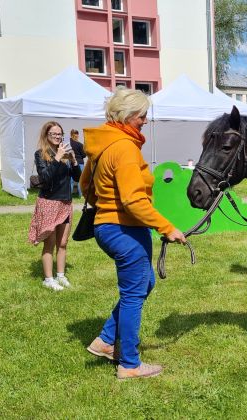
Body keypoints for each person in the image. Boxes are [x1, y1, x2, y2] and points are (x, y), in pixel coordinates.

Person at [81, 88, 186, 380]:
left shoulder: (103, 145)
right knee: (133, 295)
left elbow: (84, 185)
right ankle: (129, 363)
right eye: (142, 116)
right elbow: (133, 200)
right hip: (125, 229)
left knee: (144, 283)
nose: (145, 122)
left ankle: (105, 341)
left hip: (106, 227)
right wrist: (167, 227)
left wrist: (105, 204)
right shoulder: (124, 147)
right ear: (127, 116)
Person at [28, 121, 81, 291]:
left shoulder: (65, 154)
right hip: (49, 203)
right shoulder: (40, 154)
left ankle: (61, 275)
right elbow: (45, 178)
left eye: (60, 134)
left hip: (65, 202)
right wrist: (57, 158)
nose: (58, 137)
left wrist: (73, 161)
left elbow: (78, 178)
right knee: (49, 243)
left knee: (63, 242)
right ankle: (48, 279)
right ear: (46, 135)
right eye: (54, 134)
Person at [69, 129, 85, 196]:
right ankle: (80, 195)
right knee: (80, 179)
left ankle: (69, 194)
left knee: (70, 180)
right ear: (77, 135)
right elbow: (84, 155)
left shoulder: (68, 143)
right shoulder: (80, 144)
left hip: (70, 162)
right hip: (80, 162)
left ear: (71, 134)